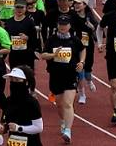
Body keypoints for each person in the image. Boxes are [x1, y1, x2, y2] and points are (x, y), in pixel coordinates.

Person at [41, 15, 84, 143]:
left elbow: (83, 50)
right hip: (55, 75)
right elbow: (43, 55)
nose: (63, 27)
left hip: (71, 75)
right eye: (61, 24)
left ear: (69, 26)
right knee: (59, 104)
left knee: (67, 103)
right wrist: (53, 55)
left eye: (65, 24)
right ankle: (63, 122)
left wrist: (82, 62)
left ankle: (68, 130)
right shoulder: (52, 40)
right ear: (57, 25)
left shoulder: (75, 40)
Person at [0, 66, 43, 146]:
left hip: (31, 143)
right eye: (12, 79)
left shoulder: (32, 102)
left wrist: (19, 128)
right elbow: (7, 121)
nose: (13, 82)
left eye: (17, 79)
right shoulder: (9, 100)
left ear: (26, 82)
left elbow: (39, 127)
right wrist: (4, 128)